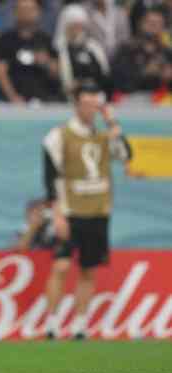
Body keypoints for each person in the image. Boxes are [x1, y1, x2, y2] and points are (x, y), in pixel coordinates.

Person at [42, 80, 131, 340]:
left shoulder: (104, 136)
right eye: (87, 101)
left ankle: (80, 325)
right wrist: (57, 213)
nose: (92, 107)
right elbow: (51, 177)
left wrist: (113, 124)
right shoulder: (59, 135)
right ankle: (52, 323)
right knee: (60, 266)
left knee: (88, 269)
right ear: (77, 103)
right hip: (70, 210)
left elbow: (125, 156)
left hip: (98, 210)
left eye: (96, 103)